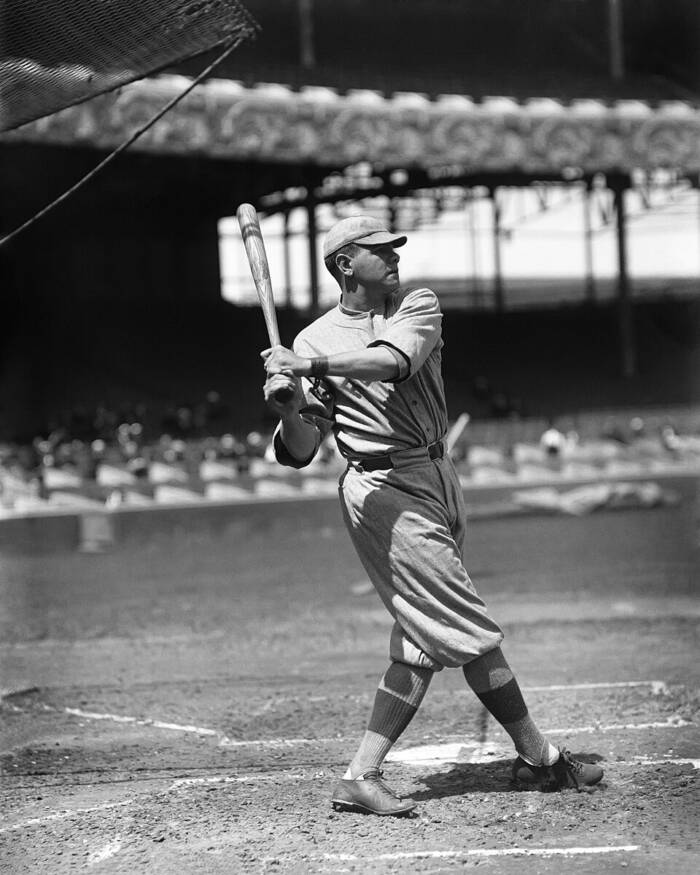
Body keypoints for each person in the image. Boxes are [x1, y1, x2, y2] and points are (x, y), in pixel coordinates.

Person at [261, 215, 603, 817]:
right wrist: (289, 406)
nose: (395, 256)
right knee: (465, 623)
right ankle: (540, 758)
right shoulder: (310, 341)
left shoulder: (415, 306)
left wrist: (307, 369)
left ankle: (362, 775)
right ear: (345, 264)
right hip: (383, 488)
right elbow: (300, 449)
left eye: (394, 248)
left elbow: (393, 361)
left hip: (438, 474)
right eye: (380, 250)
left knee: (423, 638)